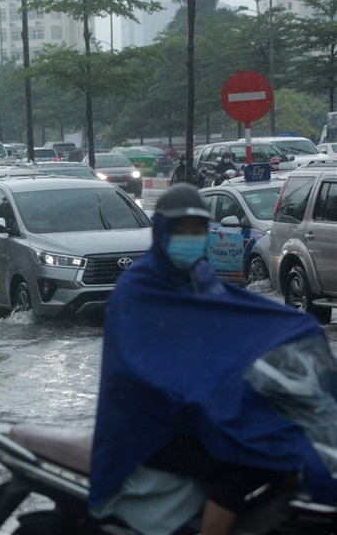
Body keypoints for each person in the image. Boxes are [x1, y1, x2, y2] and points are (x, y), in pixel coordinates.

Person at [90, 183, 337, 535]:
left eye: (197, 231)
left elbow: (240, 327)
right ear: (161, 231)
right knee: (242, 464)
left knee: (287, 437)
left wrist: (299, 330)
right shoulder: (138, 291)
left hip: (198, 409)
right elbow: (140, 370)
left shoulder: (200, 278)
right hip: (154, 423)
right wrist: (208, 397)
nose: (190, 239)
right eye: (181, 231)